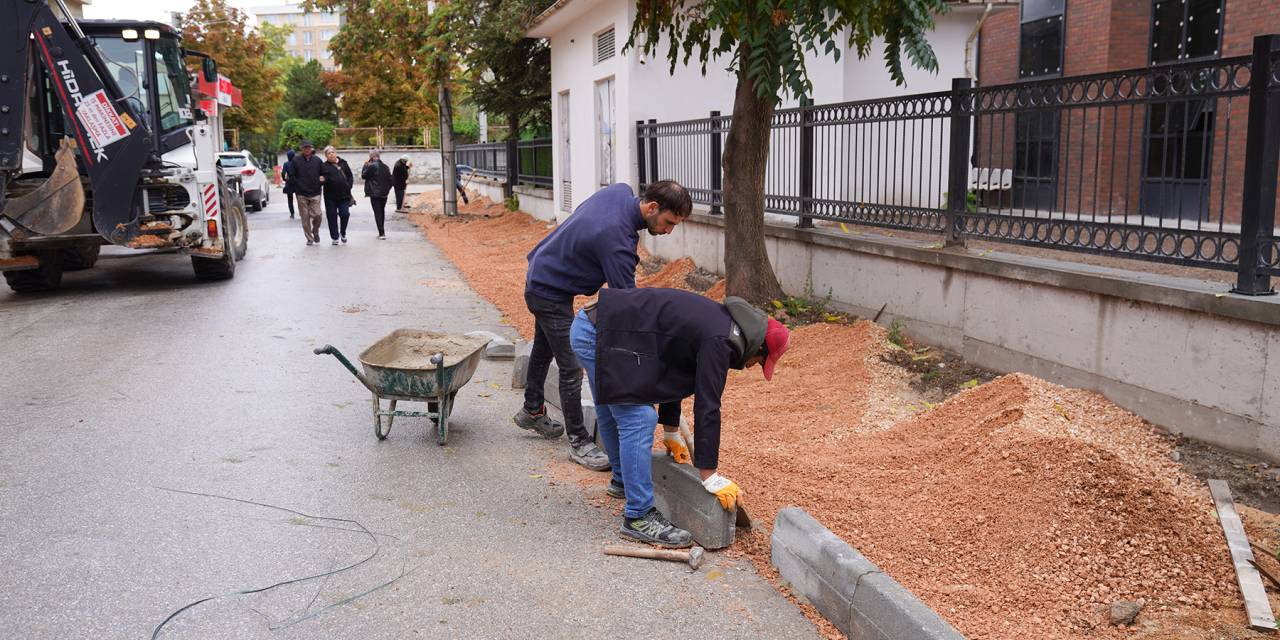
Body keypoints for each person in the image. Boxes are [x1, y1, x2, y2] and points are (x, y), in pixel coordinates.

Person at [570, 287, 790, 547]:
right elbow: (708, 406)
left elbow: (672, 367)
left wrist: (671, 430)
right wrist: (710, 475)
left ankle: (622, 481)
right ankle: (638, 516)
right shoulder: (721, 340)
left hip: (597, 326)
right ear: (758, 346)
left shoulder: (719, 322)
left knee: (614, 406)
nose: (753, 366)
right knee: (639, 418)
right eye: (760, 361)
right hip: (599, 334)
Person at [515, 180, 692, 471]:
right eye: (669, 222)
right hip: (548, 290)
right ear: (651, 207)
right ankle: (579, 441)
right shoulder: (616, 242)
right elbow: (627, 306)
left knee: (545, 348)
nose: (669, 231)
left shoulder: (620, 192)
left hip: (544, 270)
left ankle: (532, 409)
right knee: (571, 364)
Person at [287, 141, 324, 245]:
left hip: (315, 192)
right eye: (304, 148)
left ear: (311, 148)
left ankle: (315, 230)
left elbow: (323, 174)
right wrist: (297, 185)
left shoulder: (317, 160)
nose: (307, 149)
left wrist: (321, 181)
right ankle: (309, 238)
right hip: (301, 193)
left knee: (318, 215)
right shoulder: (296, 160)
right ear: (301, 149)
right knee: (305, 217)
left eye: (308, 147)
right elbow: (291, 175)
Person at [320, 145, 354, 245]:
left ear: (336, 153)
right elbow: (322, 179)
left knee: (345, 214)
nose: (331, 155)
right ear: (326, 156)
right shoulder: (324, 166)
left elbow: (350, 176)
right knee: (331, 216)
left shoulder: (343, 163)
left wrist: (348, 186)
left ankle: (343, 232)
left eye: (332, 152)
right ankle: (335, 237)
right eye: (328, 153)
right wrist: (322, 180)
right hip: (330, 196)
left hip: (344, 195)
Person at [362, 150, 393, 239]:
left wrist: (365, 165)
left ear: (371, 157)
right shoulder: (386, 166)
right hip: (384, 193)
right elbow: (391, 180)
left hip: (374, 193)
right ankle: (382, 231)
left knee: (377, 212)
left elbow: (363, 176)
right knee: (381, 211)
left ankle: (381, 233)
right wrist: (387, 190)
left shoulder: (372, 166)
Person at [282, 148, 296, 219]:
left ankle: (292, 213)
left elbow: (283, 173)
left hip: (289, 182)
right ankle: (303, 212)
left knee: (290, 199)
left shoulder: (286, 164)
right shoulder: (296, 162)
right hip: (297, 181)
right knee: (300, 198)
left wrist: (285, 179)